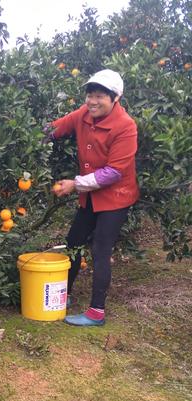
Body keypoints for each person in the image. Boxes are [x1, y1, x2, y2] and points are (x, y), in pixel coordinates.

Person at [49, 69, 139, 327]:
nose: (92, 101)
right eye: (90, 95)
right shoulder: (84, 113)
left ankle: (96, 312)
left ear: (114, 98)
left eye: (99, 96)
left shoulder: (125, 126)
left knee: (100, 248)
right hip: (90, 197)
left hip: (115, 197)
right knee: (74, 242)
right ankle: (62, 296)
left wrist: (74, 184)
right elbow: (57, 128)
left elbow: (113, 173)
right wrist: (30, 137)